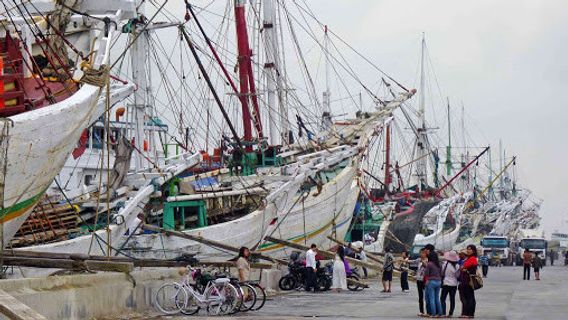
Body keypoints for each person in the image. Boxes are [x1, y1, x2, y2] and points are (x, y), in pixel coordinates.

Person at [458, 244, 479, 318]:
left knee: (468, 297)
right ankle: (467, 313)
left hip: (468, 281)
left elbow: (465, 268)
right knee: (468, 297)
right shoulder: (469, 258)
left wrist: (464, 269)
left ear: (473, 250)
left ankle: (468, 313)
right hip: (465, 281)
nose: (468, 250)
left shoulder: (472, 259)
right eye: (468, 249)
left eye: (470, 249)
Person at [424, 251, 443, 317]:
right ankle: (440, 313)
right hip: (439, 281)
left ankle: (433, 313)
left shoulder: (429, 264)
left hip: (431, 281)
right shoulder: (439, 264)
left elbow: (426, 273)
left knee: (431, 298)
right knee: (437, 298)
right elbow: (441, 273)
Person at [441, 251, 460, 318]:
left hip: (445, 283)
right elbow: (458, 276)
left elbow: (442, 273)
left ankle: (443, 312)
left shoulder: (445, 264)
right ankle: (450, 313)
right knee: (452, 299)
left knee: (443, 299)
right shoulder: (457, 266)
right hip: (454, 284)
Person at [414, 248, 428, 317]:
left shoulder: (428, 260)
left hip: (425, 280)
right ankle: (421, 311)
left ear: (426, 253)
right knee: (420, 296)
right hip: (419, 280)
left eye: (422, 253)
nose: (421, 254)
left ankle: (428, 311)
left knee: (427, 296)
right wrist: (404, 260)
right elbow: (413, 261)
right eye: (420, 253)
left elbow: (427, 267)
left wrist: (423, 262)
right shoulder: (419, 260)